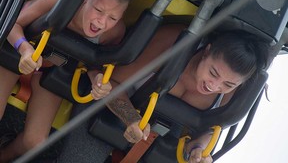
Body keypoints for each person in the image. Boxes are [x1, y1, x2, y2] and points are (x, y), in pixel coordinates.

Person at [0, 0, 134, 162]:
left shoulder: (114, 33)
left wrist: (97, 79)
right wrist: (24, 49)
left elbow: (95, 64)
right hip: (14, 53)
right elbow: (12, 23)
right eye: (98, 10)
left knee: (36, 142)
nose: (101, 22)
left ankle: (4, 154)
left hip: (52, 68)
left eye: (113, 18)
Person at [91, 24, 269, 163]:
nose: (213, 86)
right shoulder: (172, 43)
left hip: (169, 143)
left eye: (228, 84)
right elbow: (112, 83)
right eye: (213, 73)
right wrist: (130, 118)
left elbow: (209, 129)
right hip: (115, 114)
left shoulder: (233, 92)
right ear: (206, 52)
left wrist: (198, 150)